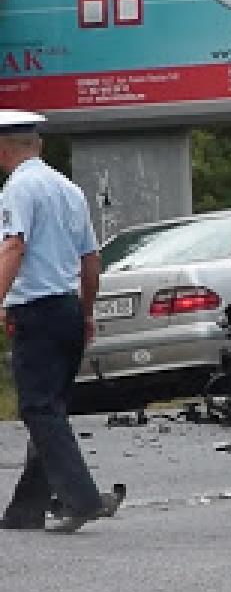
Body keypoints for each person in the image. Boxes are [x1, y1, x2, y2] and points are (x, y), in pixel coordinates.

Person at [0, 110, 118, 533]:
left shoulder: (19, 189)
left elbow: (13, 247)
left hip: (37, 310)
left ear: (3, 148)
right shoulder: (69, 189)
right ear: (39, 145)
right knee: (49, 407)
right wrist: (86, 311)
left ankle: (81, 498)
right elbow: (91, 258)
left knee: (38, 408)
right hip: (67, 308)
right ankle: (26, 509)